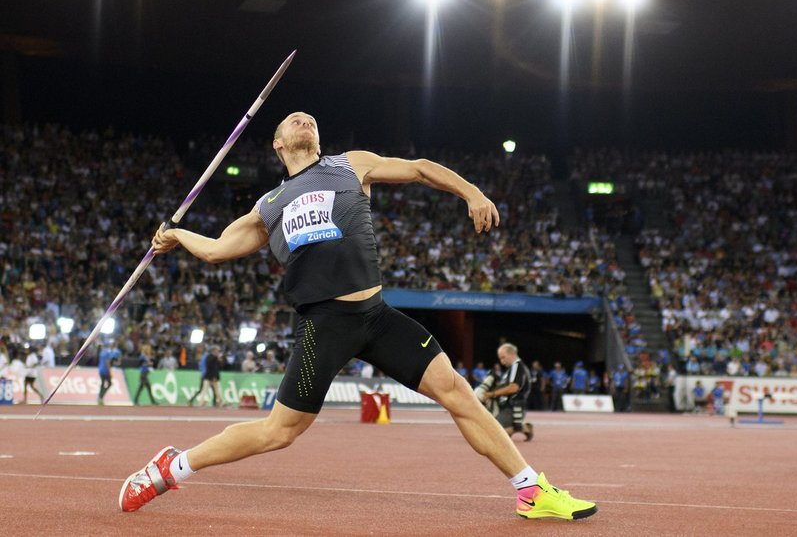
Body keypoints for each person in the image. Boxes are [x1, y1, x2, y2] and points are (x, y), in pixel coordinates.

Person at [118, 111, 596, 521]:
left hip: (376, 315)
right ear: (279, 143)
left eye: (310, 119)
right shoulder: (270, 205)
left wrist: (471, 191)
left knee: (458, 393)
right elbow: (219, 249)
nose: (303, 118)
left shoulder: (351, 166)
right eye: (292, 120)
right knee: (279, 432)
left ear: (317, 139)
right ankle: (171, 467)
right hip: (322, 326)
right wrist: (178, 236)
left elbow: (420, 169)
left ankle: (530, 491)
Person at [483, 343, 533, 442]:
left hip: (513, 406)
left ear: (512, 354)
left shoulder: (517, 367)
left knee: (494, 434)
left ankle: (521, 427)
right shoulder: (512, 369)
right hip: (506, 406)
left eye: (503, 357)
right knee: (488, 429)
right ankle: (517, 426)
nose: (502, 361)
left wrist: (492, 394)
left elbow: (513, 387)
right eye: (500, 358)